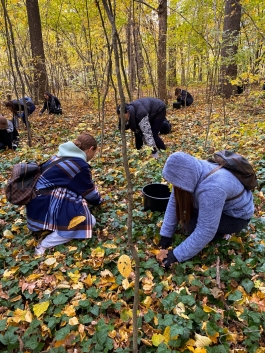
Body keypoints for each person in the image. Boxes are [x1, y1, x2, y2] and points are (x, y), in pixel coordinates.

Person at [158, 152, 254, 268]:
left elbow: (206, 229)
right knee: (189, 219)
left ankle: (223, 234)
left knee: (191, 225)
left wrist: (176, 255)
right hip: (218, 201)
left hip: (237, 216)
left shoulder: (212, 189)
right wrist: (166, 235)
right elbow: (175, 201)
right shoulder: (191, 172)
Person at [26, 132, 103, 255]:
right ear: (90, 149)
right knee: (89, 221)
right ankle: (44, 245)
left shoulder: (61, 155)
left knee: (77, 201)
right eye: (95, 152)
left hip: (35, 204)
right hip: (43, 204)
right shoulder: (80, 165)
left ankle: (50, 225)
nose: (93, 155)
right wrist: (100, 201)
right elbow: (90, 194)